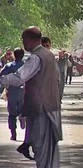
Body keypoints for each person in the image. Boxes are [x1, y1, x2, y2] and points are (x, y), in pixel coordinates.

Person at [0, 26, 62, 167]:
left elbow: (19, 77)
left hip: (42, 109)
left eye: (23, 40)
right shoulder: (49, 55)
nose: (23, 43)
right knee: (47, 149)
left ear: (29, 40)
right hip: (48, 107)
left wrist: (2, 79)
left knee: (41, 149)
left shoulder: (36, 57)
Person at [0, 48, 25, 141]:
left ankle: (13, 134)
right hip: (24, 91)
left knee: (11, 113)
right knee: (22, 109)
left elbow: (1, 75)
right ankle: (22, 117)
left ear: (14, 55)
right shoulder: (26, 66)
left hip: (12, 91)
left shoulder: (9, 66)